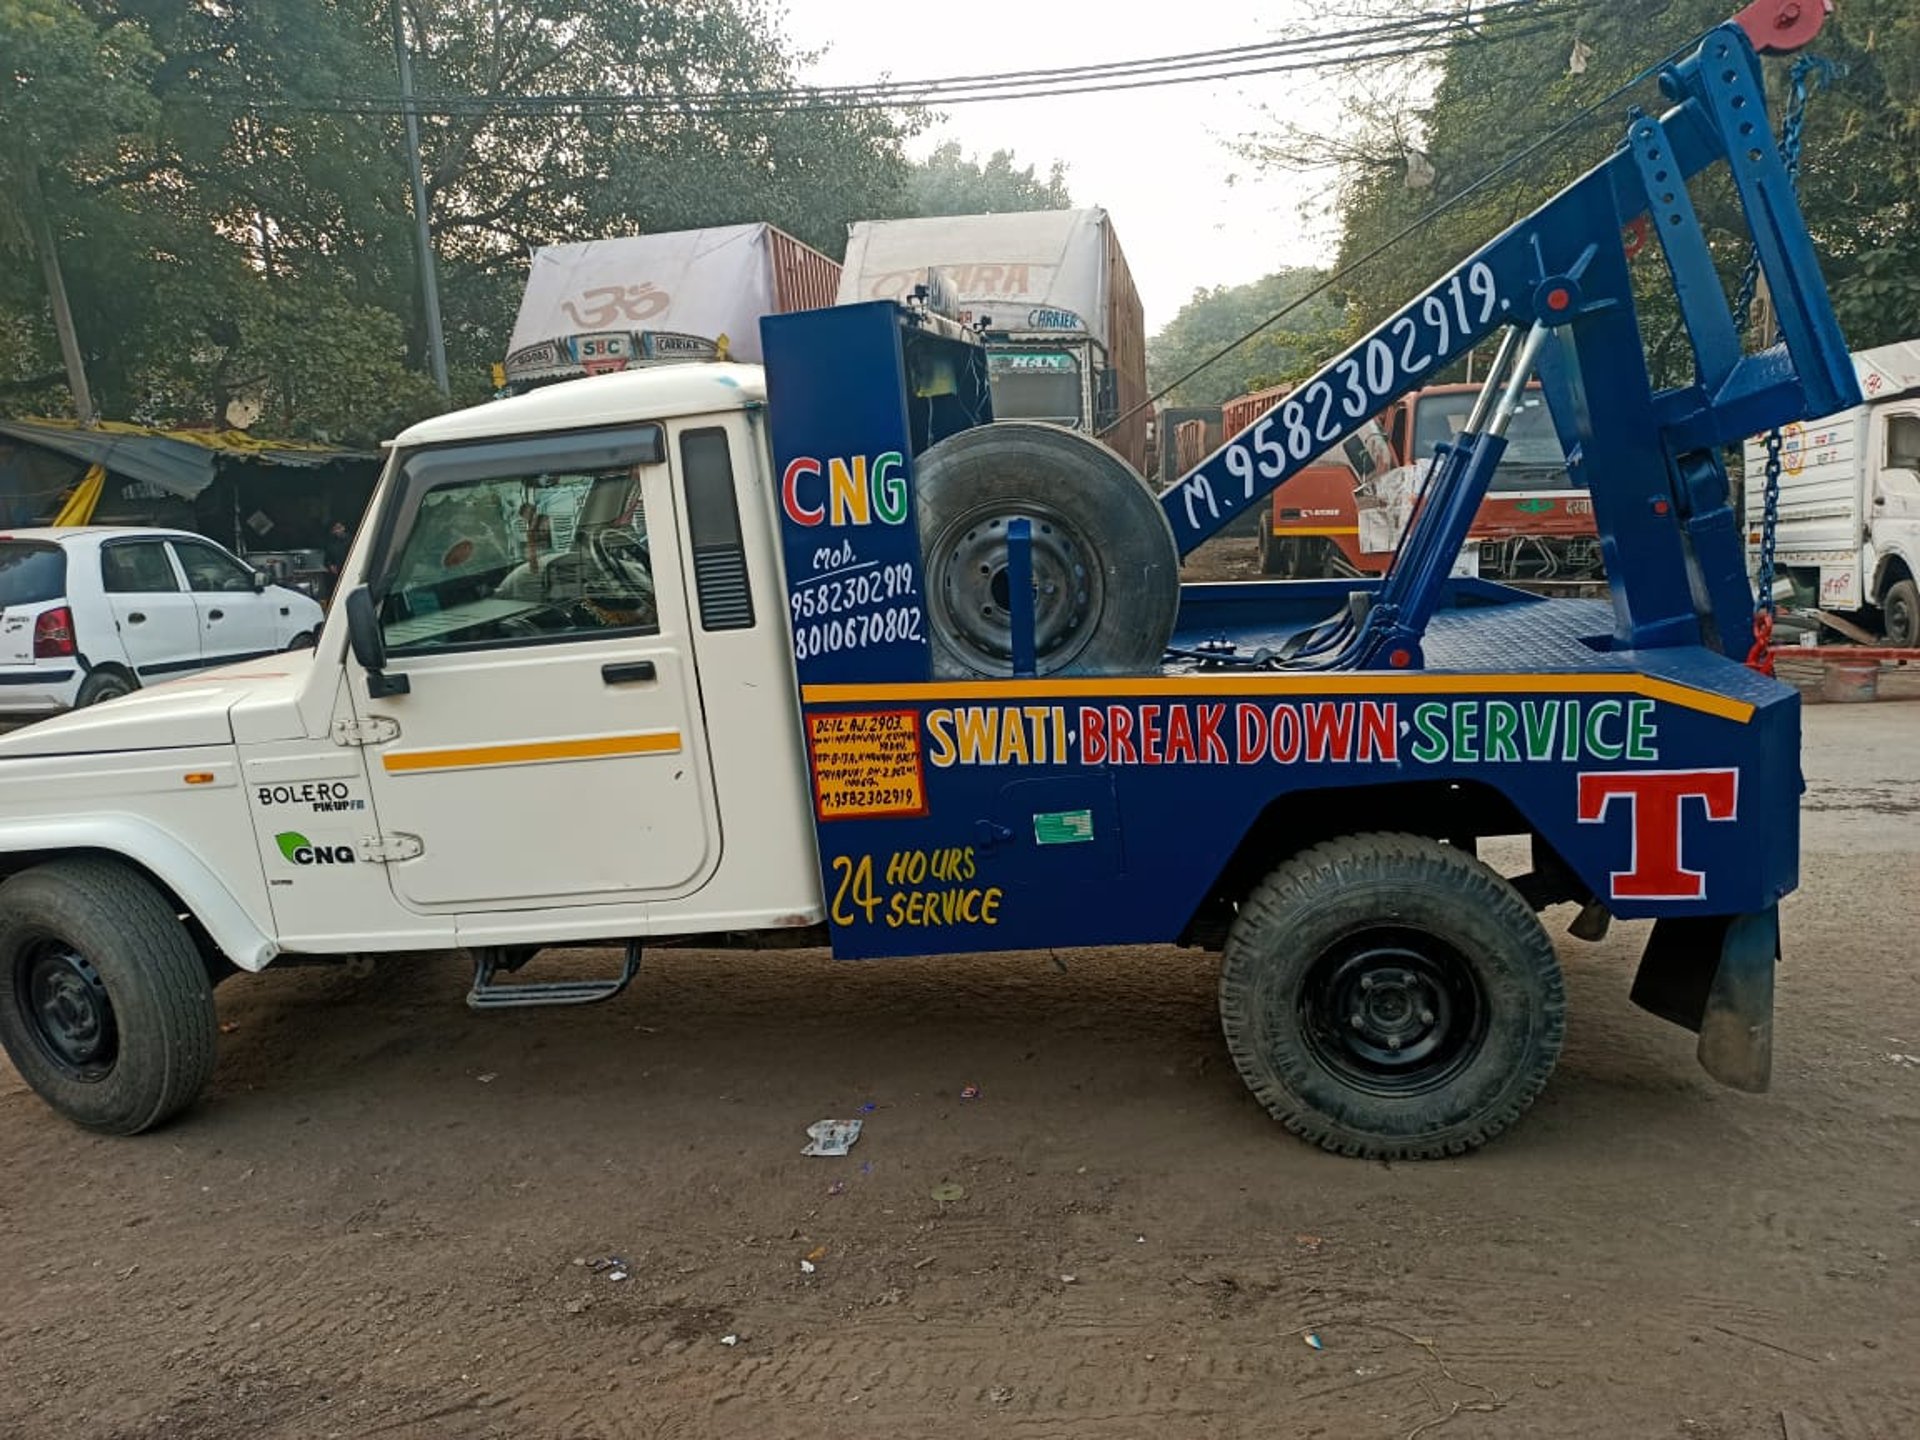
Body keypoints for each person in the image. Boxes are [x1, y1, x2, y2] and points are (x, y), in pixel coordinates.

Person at [322, 520, 352, 602]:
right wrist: (331, 566)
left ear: (343, 528)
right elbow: (327, 559)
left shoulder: (351, 541)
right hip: (335, 575)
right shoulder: (331, 543)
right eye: (335, 529)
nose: (337, 531)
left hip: (348, 572)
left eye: (339, 528)